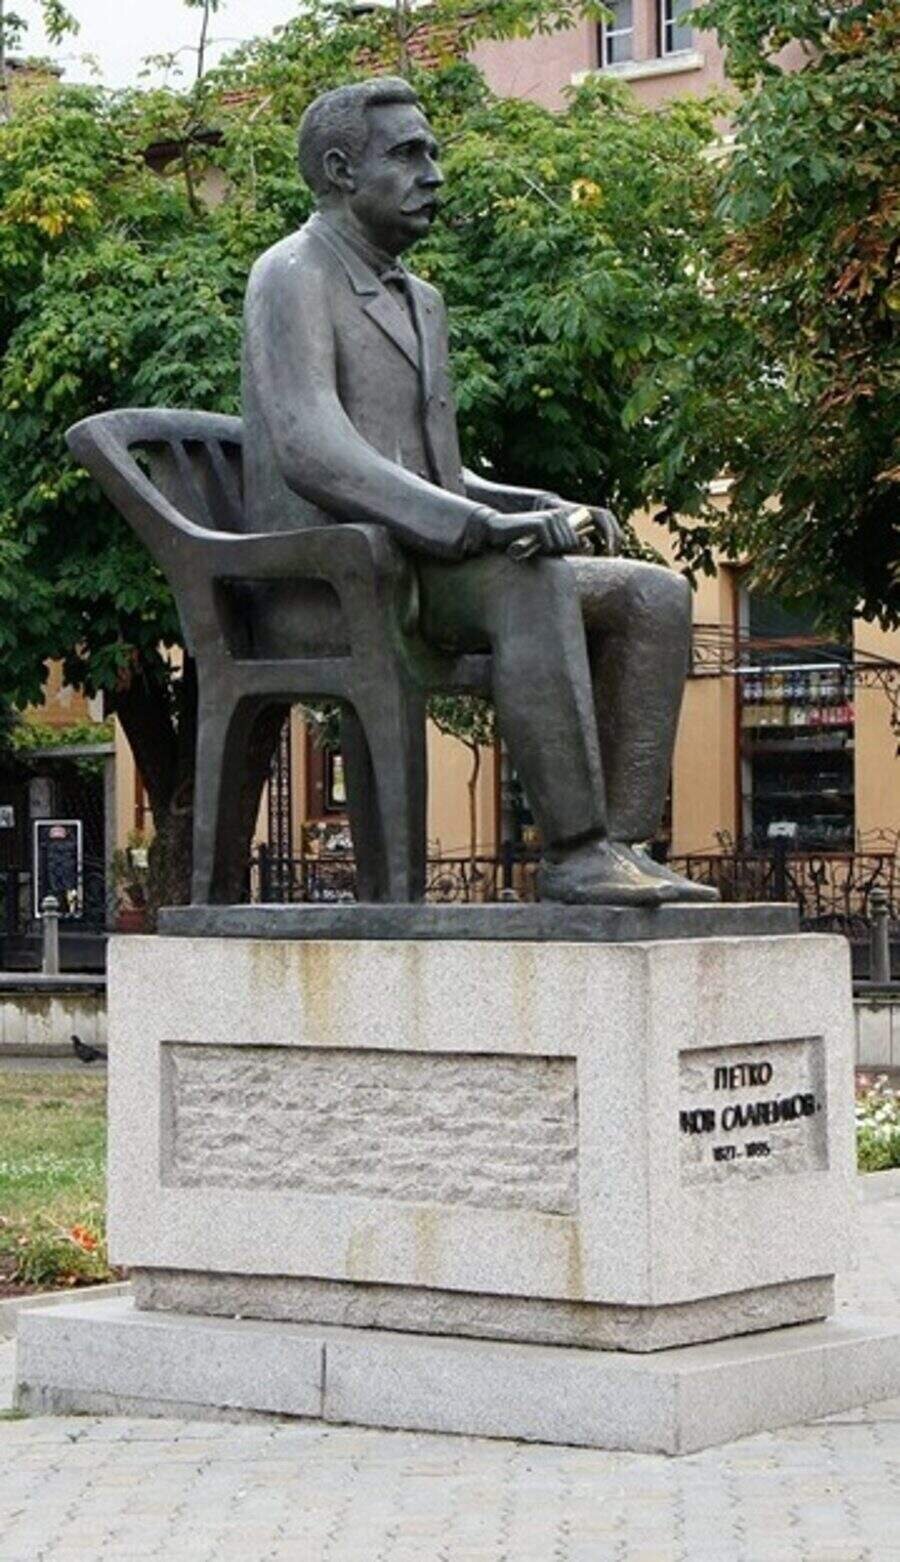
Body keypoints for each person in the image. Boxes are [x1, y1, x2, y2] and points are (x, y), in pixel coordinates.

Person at [242, 77, 716, 905]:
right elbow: (313, 449)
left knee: (654, 595)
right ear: (341, 169)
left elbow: (437, 468)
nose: (434, 174)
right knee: (529, 581)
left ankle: (620, 843)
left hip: (420, 569)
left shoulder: (420, 300)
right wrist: (474, 528)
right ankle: (573, 852)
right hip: (327, 578)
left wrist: (528, 506)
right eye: (408, 155)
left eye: (433, 153)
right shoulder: (291, 273)